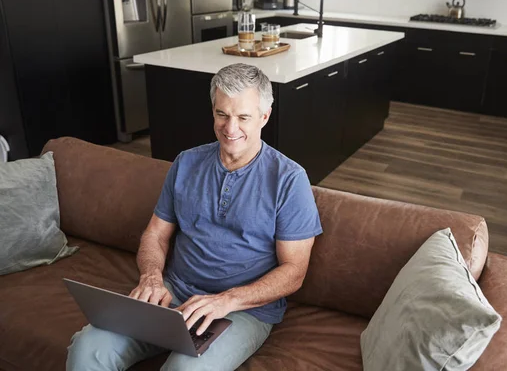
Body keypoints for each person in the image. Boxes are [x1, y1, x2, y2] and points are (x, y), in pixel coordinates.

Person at [66, 63, 323, 370]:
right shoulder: (186, 163)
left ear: (264, 117)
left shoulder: (289, 180)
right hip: (174, 294)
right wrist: (151, 277)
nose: (230, 128)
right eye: (222, 114)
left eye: (243, 117)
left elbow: (294, 271)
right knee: (87, 348)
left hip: (241, 309)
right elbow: (156, 234)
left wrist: (226, 300)